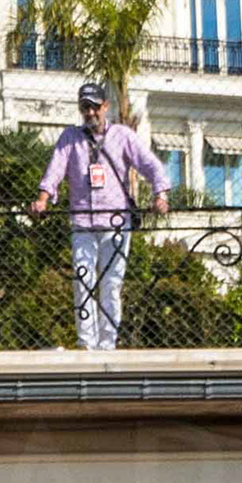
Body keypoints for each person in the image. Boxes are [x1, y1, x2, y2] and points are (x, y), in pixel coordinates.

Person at [32, 81, 166, 353]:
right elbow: (55, 169)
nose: (90, 112)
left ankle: (108, 343)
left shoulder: (122, 136)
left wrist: (160, 193)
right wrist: (43, 198)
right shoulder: (70, 137)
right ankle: (87, 343)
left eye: (94, 107)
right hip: (82, 223)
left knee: (111, 284)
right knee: (83, 281)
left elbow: (149, 163)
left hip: (116, 224)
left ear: (105, 106)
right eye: (85, 107)